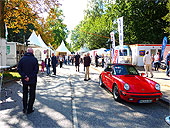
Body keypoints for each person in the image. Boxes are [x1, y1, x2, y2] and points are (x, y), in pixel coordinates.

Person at [17, 48, 39, 114]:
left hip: (24, 80)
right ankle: (30, 108)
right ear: (32, 52)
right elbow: (36, 70)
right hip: (32, 80)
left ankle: (25, 108)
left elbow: (19, 69)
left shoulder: (22, 59)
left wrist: (25, 76)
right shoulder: (34, 59)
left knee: (25, 94)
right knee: (32, 94)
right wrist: (29, 77)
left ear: (27, 52)